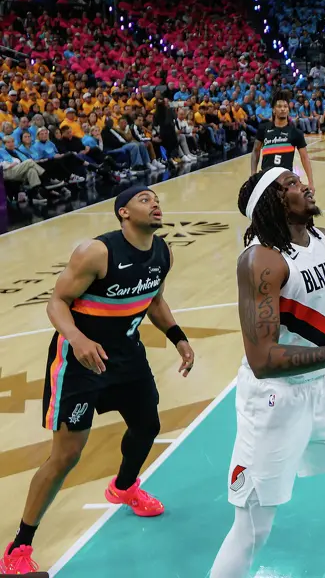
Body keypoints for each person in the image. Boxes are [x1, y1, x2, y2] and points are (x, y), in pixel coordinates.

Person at [210, 168, 325, 578]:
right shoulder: (261, 260)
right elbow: (262, 360)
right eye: (291, 185)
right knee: (253, 529)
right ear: (272, 203)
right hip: (276, 399)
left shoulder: (322, 238)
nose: (305, 186)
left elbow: (313, 310)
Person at [1, 187, 196, 574]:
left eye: (157, 198)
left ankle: (123, 488)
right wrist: (78, 338)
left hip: (127, 357)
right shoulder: (96, 252)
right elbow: (56, 301)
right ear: (123, 212)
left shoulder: (162, 252)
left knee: (147, 426)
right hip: (79, 363)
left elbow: (154, 300)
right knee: (66, 456)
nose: (155, 203)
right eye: (144, 199)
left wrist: (179, 338)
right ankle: (18, 547)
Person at [251, 91, 314, 191]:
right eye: (279, 106)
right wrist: (253, 175)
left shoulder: (295, 132)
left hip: (286, 180)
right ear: (274, 110)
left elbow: (304, 157)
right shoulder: (264, 128)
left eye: (285, 106)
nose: (283, 109)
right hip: (266, 180)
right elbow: (255, 150)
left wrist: (311, 182)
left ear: (288, 110)